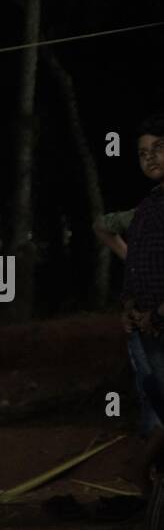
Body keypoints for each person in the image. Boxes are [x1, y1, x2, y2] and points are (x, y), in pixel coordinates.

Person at [94, 113, 164, 439]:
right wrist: (130, 305)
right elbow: (136, 262)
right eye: (142, 152)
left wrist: (158, 313)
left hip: (157, 322)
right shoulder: (147, 208)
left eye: (158, 148)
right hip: (144, 325)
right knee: (153, 400)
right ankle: (153, 483)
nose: (150, 157)